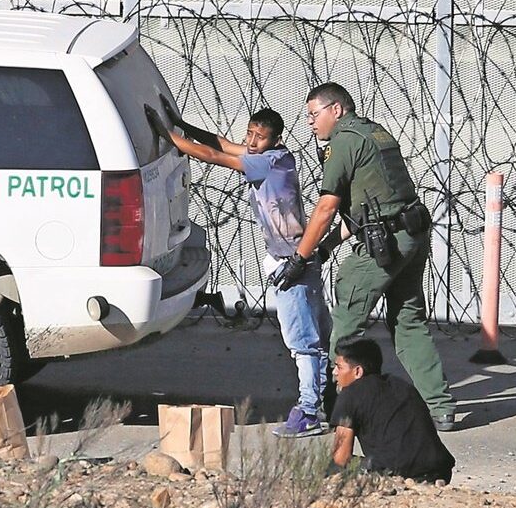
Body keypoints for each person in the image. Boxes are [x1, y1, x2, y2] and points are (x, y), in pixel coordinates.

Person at [276, 82, 459, 431]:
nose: (311, 123)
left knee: (345, 322)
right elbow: (366, 209)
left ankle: (333, 407)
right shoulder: (375, 132)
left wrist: (300, 257)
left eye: (314, 115)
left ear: (336, 110)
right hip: (410, 233)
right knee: (407, 320)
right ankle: (440, 407)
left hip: (387, 242)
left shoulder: (344, 141)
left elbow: (328, 206)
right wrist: (327, 246)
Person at [147, 98, 332, 437]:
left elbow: (216, 157)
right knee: (315, 336)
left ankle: (309, 410)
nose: (250, 141)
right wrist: (183, 126)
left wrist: (167, 136)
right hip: (299, 257)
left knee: (302, 342)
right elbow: (223, 144)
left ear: (275, 140)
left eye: (259, 137)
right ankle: (324, 398)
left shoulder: (270, 162)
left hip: (293, 262)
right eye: (249, 133)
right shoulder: (271, 155)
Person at [329, 337, 454, 482]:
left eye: (339, 367)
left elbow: (340, 458)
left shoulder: (349, 394)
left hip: (399, 474)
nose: (334, 372)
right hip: (440, 469)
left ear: (358, 371)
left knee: (332, 468)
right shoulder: (402, 385)